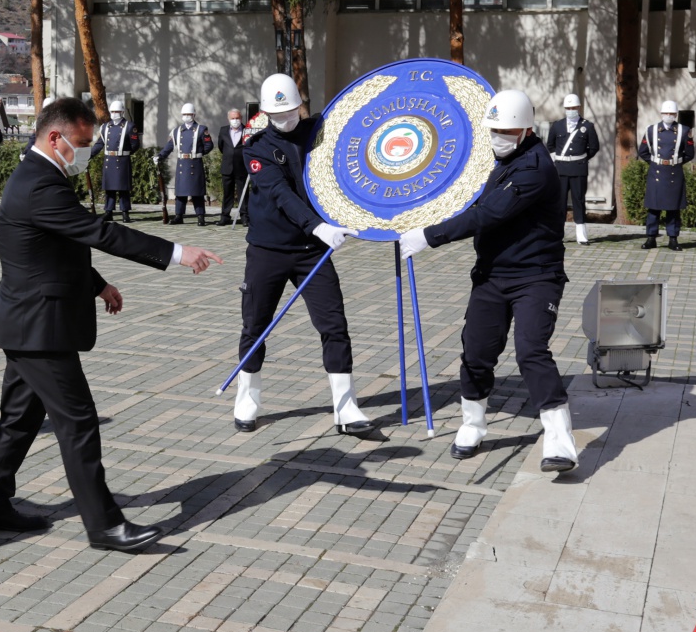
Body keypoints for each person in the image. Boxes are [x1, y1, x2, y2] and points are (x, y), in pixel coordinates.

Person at [0, 96, 222, 552]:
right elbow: (99, 232)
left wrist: (98, 284)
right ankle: (104, 525)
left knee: (19, 419)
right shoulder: (40, 185)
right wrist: (176, 253)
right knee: (78, 421)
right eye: (83, 143)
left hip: (29, 321)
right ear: (55, 137)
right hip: (38, 328)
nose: (87, 151)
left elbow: (58, 246)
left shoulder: (42, 178)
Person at [399, 89, 577, 475]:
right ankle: (472, 423)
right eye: (493, 129)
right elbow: (472, 203)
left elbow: (489, 215)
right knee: (476, 352)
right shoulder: (505, 159)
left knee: (530, 349)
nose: (498, 136)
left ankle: (560, 440)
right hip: (492, 276)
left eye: (507, 131)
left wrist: (428, 236)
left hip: (536, 277)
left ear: (527, 130)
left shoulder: (534, 169)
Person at [228, 74, 373, 437]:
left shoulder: (318, 130)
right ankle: (248, 399)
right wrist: (317, 225)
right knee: (255, 326)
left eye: (291, 111)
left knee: (334, 325)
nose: (286, 118)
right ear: (264, 113)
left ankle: (345, 406)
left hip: (312, 252)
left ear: (300, 106)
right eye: (277, 114)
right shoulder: (255, 147)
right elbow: (280, 193)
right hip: (269, 249)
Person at [637, 100, 695, 251]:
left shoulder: (684, 130)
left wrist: (675, 162)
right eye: (666, 113)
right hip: (656, 172)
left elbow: (690, 154)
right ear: (661, 114)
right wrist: (657, 162)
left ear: (676, 114)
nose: (669, 116)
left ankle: (673, 239)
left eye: (671, 113)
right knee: (653, 208)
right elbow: (643, 151)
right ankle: (651, 238)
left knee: (673, 209)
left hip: (674, 172)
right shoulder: (651, 130)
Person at [545, 93, 600, 246]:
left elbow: (594, 147)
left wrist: (581, 159)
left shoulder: (587, 126)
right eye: (568, 108)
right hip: (561, 170)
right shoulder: (557, 125)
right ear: (565, 109)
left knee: (579, 200)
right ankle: (557, 234)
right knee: (559, 202)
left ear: (579, 107)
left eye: (573, 107)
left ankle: (581, 235)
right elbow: (550, 145)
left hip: (578, 170)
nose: (571, 110)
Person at [158, 103, 214, 225]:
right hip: (182, 163)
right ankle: (179, 216)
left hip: (195, 163)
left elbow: (209, 145)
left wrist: (198, 153)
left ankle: (200, 216)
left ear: (193, 115)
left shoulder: (201, 129)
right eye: (184, 114)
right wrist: (160, 156)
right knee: (180, 192)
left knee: (197, 192)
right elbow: (169, 146)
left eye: (188, 114)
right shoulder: (177, 131)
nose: (186, 116)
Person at [90, 98, 140, 222]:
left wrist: (125, 153)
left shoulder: (129, 126)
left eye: (117, 111)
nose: (114, 114)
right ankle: (108, 211)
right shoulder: (105, 127)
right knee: (110, 188)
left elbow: (135, 144)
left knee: (123, 188)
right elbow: (99, 144)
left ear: (122, 112)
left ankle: (125, 212)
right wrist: (89, 155)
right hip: (109, 160)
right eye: (112, 111)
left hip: (122, 160)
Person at [216, 107, 250, 226]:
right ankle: (225, 216)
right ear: (228, 119)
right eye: (233, 118)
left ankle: (245, 217)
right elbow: (221, 146)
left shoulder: (247, 130)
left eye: (237, 118)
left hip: (242, 167)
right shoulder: (223, 130)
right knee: (227, 193)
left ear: (241, 118)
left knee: (244, 194)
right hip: (227, 167)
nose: (235, 120)